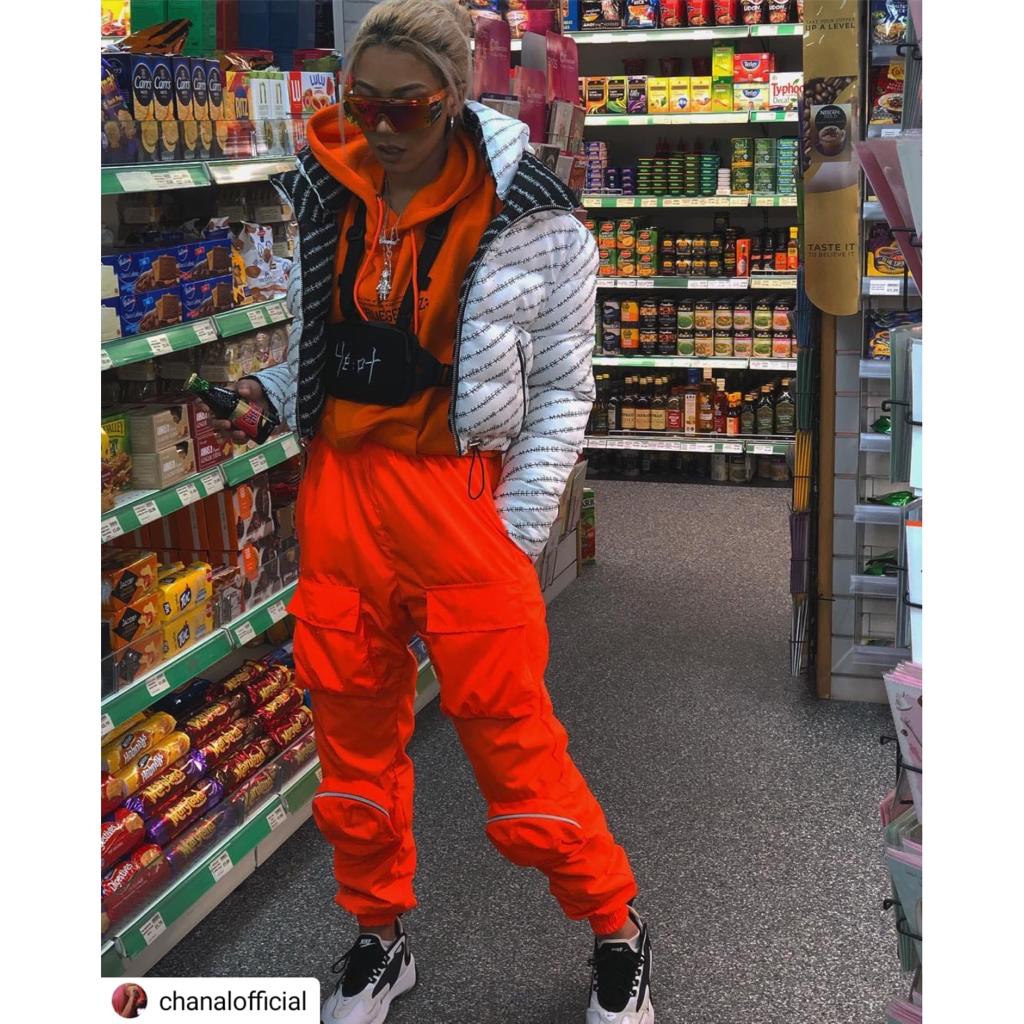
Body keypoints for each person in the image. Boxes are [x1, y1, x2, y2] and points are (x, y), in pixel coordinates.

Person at [214, 2, 653, 1021]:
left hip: (461, 506)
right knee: (350, 738)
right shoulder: (324, 190)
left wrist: (515, 528)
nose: (377, 127)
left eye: (403, 106)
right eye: (360, 103)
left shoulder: (537, 218)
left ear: (455, 97)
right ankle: (378, 937)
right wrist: (268, 397)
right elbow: (322, 351)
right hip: (341, 497)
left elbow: (564, 391)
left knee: (512, 741)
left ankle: (616, 926)